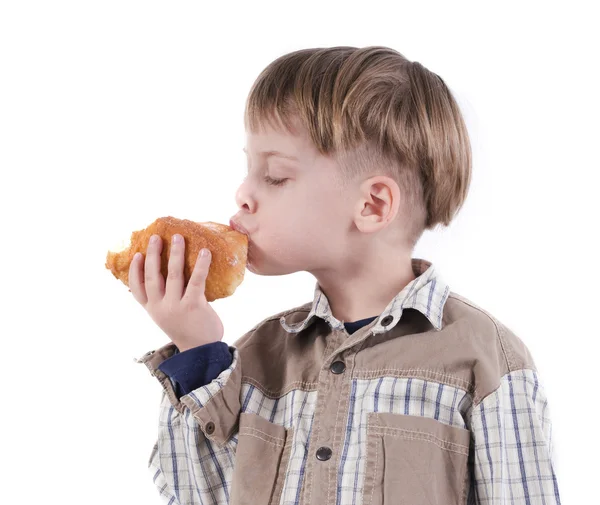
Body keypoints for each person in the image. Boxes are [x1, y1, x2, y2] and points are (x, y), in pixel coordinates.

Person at [132, 46, 562, 505]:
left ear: (372, 205)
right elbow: (200, 496)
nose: (243, 193)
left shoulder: (488, 363)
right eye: (249, 169)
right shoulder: (254, 360)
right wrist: (197, 353)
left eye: (275, 176)